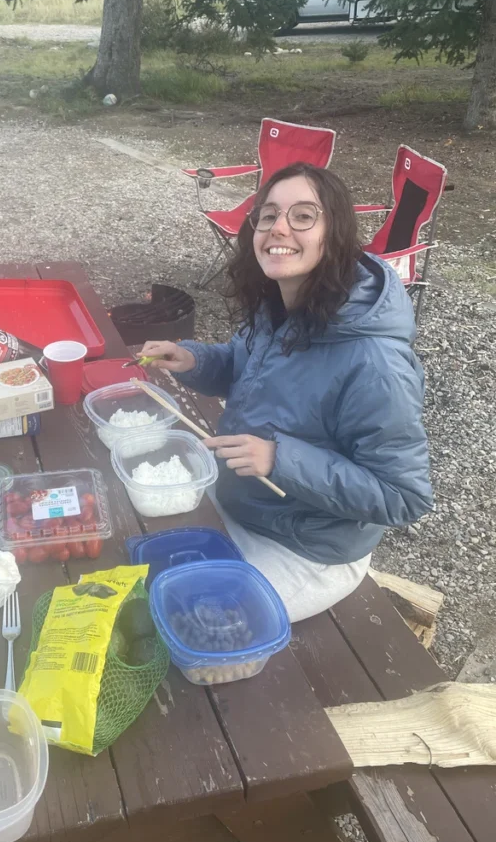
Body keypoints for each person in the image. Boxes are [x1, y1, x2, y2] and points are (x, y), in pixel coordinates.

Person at [139, 163, 433, 622]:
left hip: (308, 547)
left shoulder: (375, 362)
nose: (279, 228)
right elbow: (245, 366)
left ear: (334, 234)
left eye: (302, 216)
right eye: (268, 214)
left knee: (189, 623)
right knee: (136, 553)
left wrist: (280, 459)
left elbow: (403, 496)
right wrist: (194, 359)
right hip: (241, 499)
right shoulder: (280, 301)